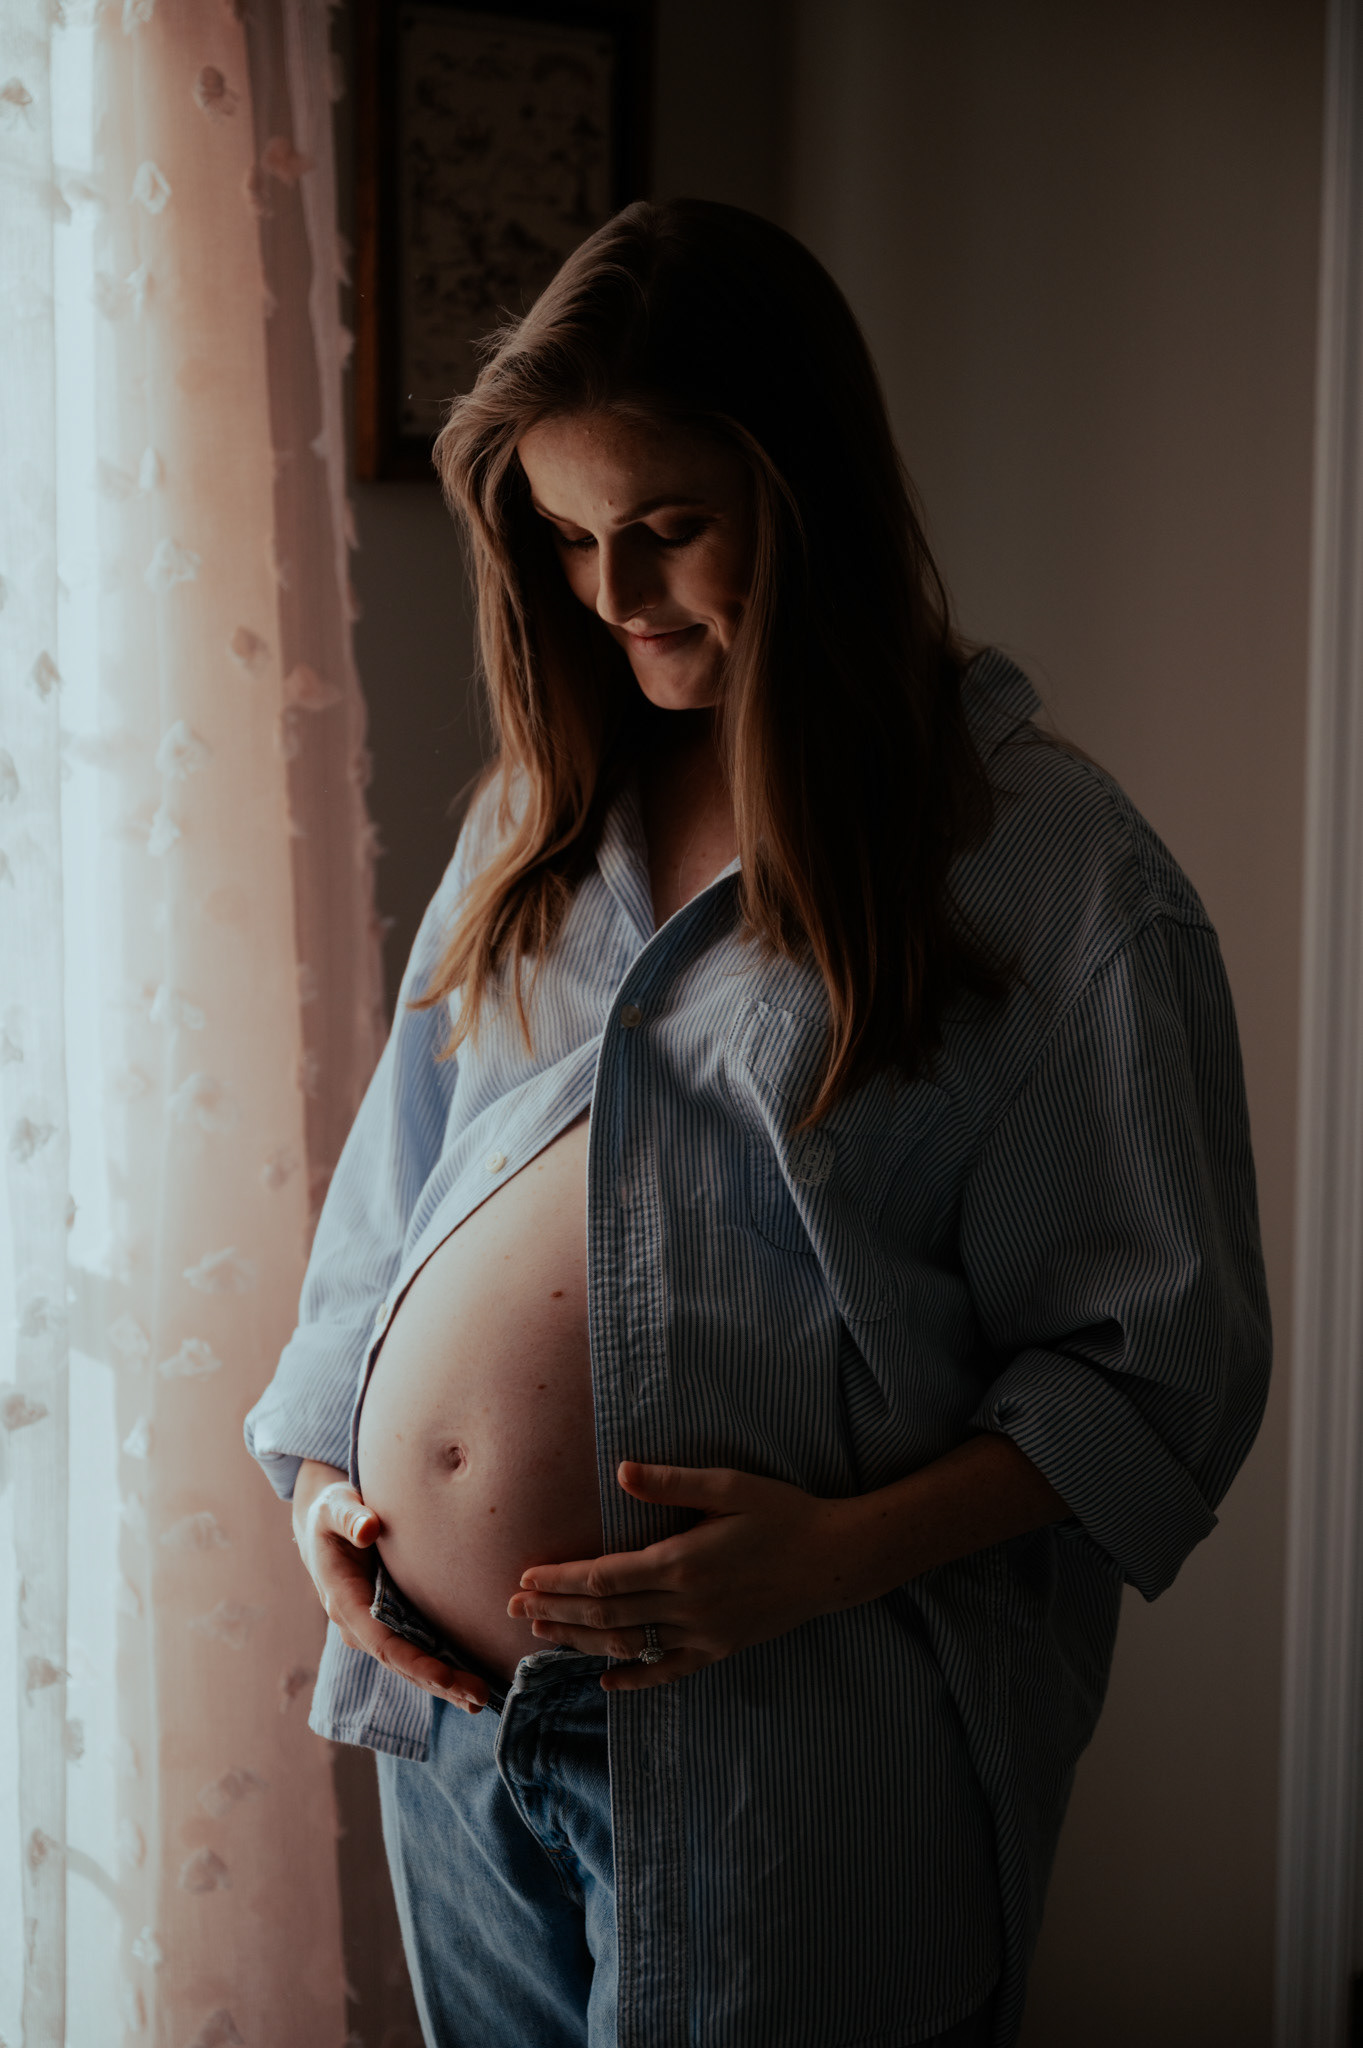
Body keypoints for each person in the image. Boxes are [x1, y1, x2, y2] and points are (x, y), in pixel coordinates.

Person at [244, 199, 1271, 2048]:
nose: (615, 593)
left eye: (668, 529)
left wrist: (828, 1556)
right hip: (457, 1739)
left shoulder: (1044, 865)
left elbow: (1155, 1371)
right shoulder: (538, 819)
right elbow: (390, 1215)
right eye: (569, 538)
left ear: (811, 502)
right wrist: (329, 1488)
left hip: (786, 1746)